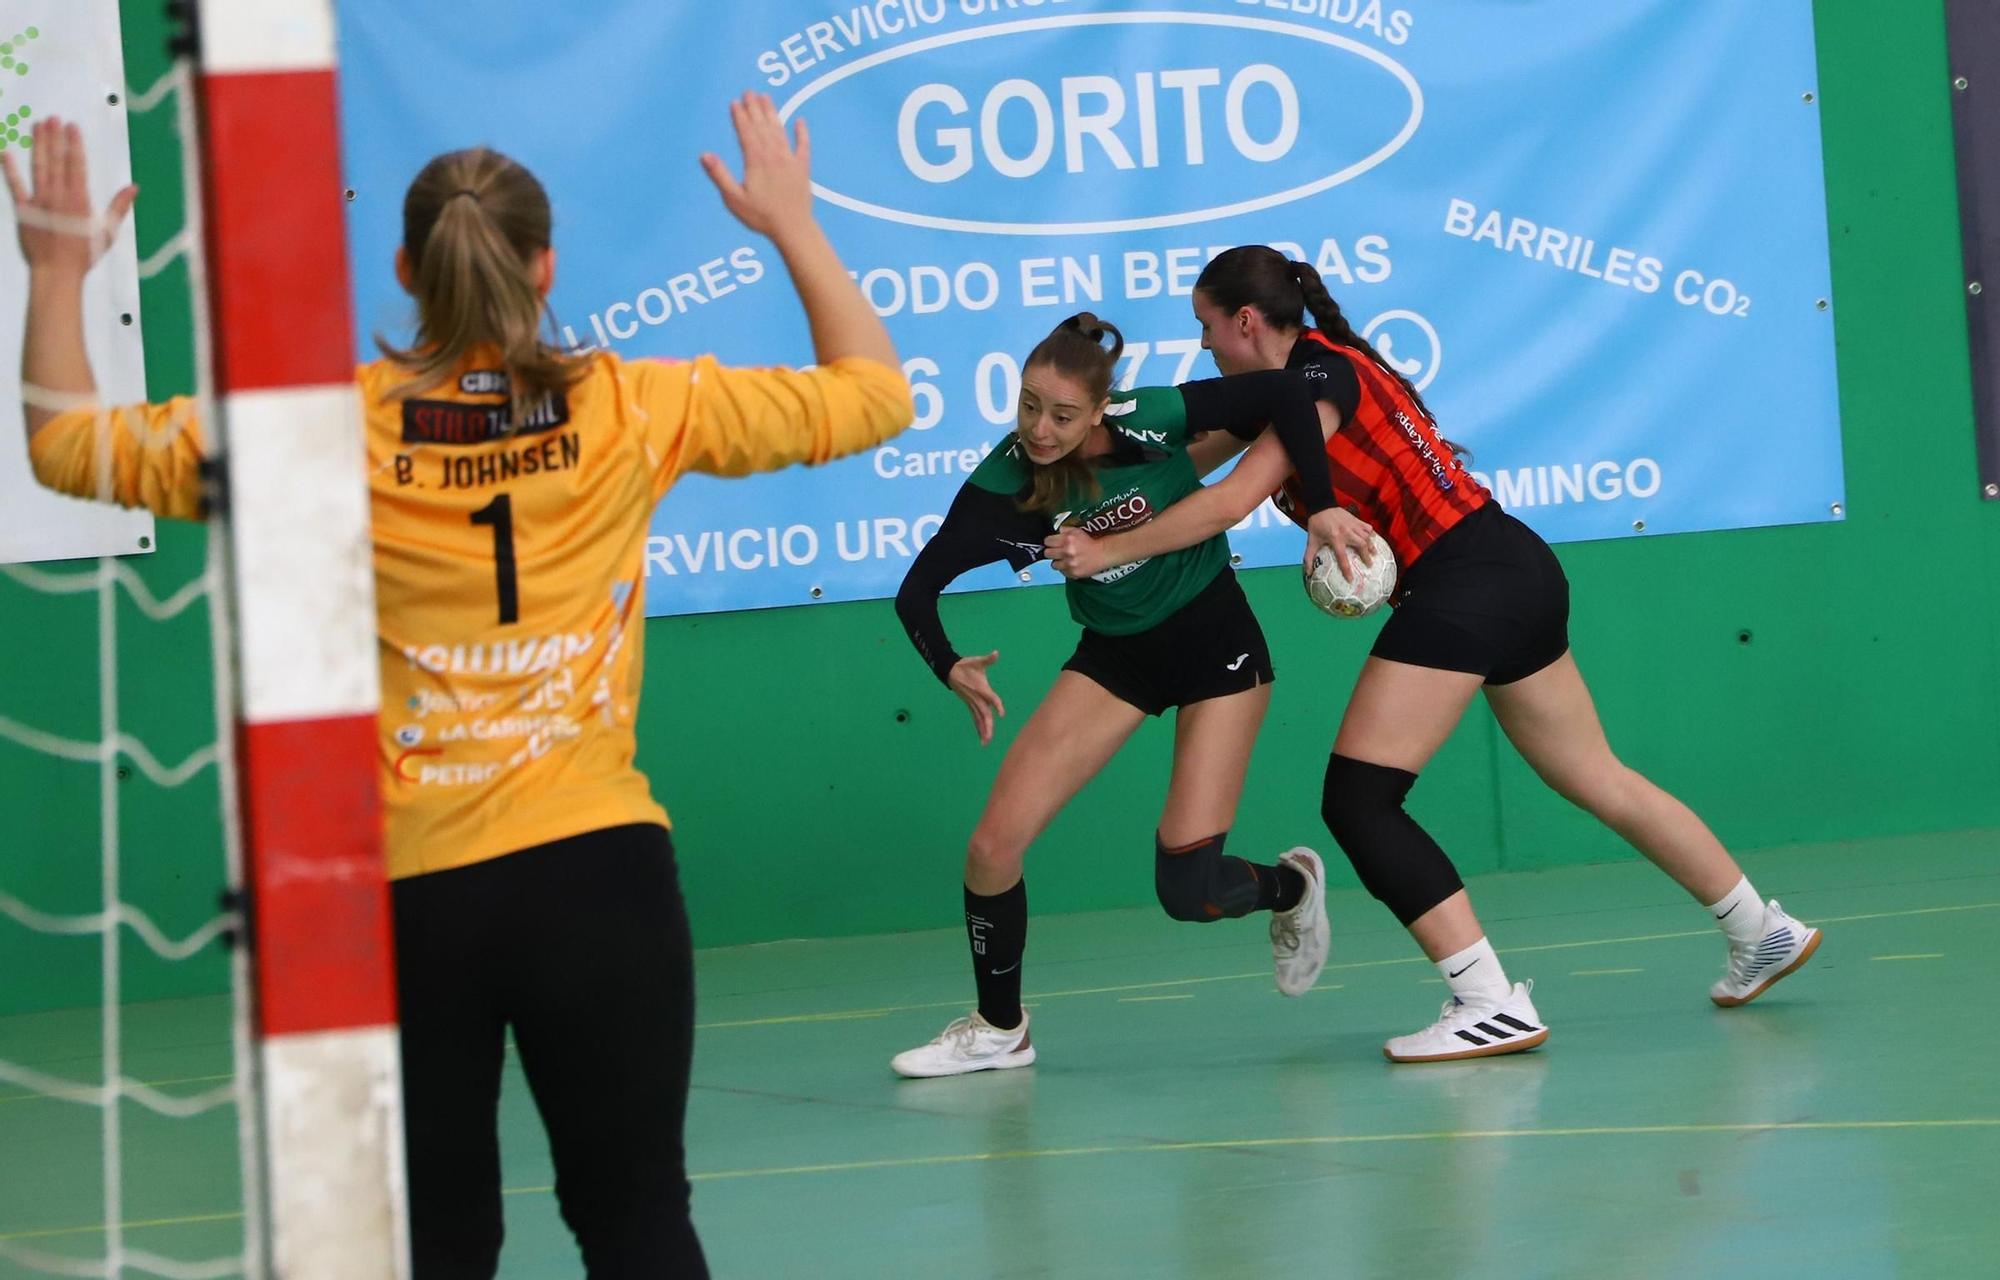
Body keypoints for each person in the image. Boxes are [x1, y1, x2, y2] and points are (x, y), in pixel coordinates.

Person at [9, 95, 914, 1274]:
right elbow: (875, 395)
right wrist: (790, 224)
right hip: (599, 876)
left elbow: (66, 444)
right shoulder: (634, 405)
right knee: (636, 1216)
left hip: (406, 899)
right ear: (547, 267)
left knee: (435, 1240)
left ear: (403, 268)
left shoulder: (321, 431)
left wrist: (60, 271)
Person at [1043, 246, 1822, 1063]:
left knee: (1359, 800)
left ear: (1245, 321)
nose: (1202, 346)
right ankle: (1759, 928)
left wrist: (1103, 554)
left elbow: (1229, 501)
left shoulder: (1317, 381)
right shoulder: (1293, 388)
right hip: (1514, 566)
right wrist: (1063, 443)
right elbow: (1171, 466)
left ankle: (1487, 1000)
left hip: (1463, 584)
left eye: (1206, 327)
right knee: (1599, 776)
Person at [889, 310, 1344, 1079]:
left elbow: (1296, 392)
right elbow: (917, 590)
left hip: (1215, 643)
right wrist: (948, 664)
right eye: (1029, 405)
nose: (1040, 427)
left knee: (1188, 889)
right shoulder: (1005, 487)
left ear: (1100, 410)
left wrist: (1323, 502)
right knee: (991, 848)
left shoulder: (1154, 419)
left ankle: (1292, 886)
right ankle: (1001, 1028)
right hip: (1116, 658)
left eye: (1063, 414)